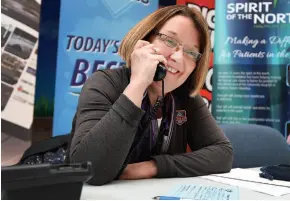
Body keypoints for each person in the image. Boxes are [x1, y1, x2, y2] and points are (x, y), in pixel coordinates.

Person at [67, 5, 233, 186]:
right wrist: (138, 83)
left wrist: (152, 167)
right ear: (145, 40)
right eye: (169, 41)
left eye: (191, 52)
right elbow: (89, 171)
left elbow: (223, 154)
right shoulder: (105, 83)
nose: (178, 57)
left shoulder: (185, 97)